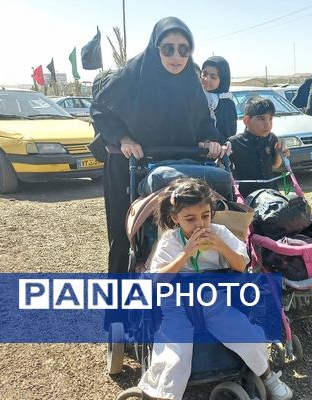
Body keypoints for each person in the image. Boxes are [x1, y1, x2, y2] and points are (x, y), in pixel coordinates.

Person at [135, 178, 293, 400]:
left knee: (247, 335)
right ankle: (164, 394)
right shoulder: (170, 240)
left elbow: (241, 264)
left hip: (214, 302)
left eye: (205, 216)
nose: (200, 224)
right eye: (190, 219)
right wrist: (186, 254)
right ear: (175, 219)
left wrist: (220, 245)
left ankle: (268, 376)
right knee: (173, 356)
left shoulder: (219, 232)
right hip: (177, 306)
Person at [90, 17, 223, 275]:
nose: (176, 56)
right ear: (155, 48)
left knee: (180, 228)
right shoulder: (131, 75)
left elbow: (202, 119)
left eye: (184, 49)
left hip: (178, 164)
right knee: (125, 235)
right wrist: (123, 138)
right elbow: (99, 108)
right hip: (131, 163)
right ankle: (120, 305)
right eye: (168, 48)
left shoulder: (190, 81)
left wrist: (211, 139)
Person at [229, 96, 289, 197]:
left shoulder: (272, 138)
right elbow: (225, 171)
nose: (267, 124)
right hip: (248, 198)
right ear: (247, 121)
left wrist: (280, 153)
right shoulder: (234, 143)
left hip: (272, 194)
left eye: (270, 119)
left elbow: (275, 165)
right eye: (261, 119)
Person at [200, 56, 238, 144]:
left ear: (222, 80)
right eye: (204, 74)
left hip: (218, 154)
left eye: (213, 77)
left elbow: (229, 137)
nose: (206, 79)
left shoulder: (227, 103)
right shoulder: (194, 97)